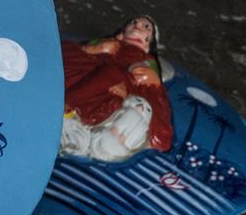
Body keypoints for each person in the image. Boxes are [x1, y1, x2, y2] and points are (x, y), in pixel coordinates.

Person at [60, 16, 173, 160]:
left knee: (131, 98)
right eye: (134, 22)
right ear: (121, 33)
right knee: (68, 51)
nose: (138, 25)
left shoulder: (146, 61)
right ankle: (67, 114)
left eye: (146, 27)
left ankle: (101, 137)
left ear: (148, 43)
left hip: (119, 88)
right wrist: (97, 48)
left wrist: (150, 80)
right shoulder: (110, 43)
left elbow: (148, 86)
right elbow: (83, 49)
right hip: (88, 75)